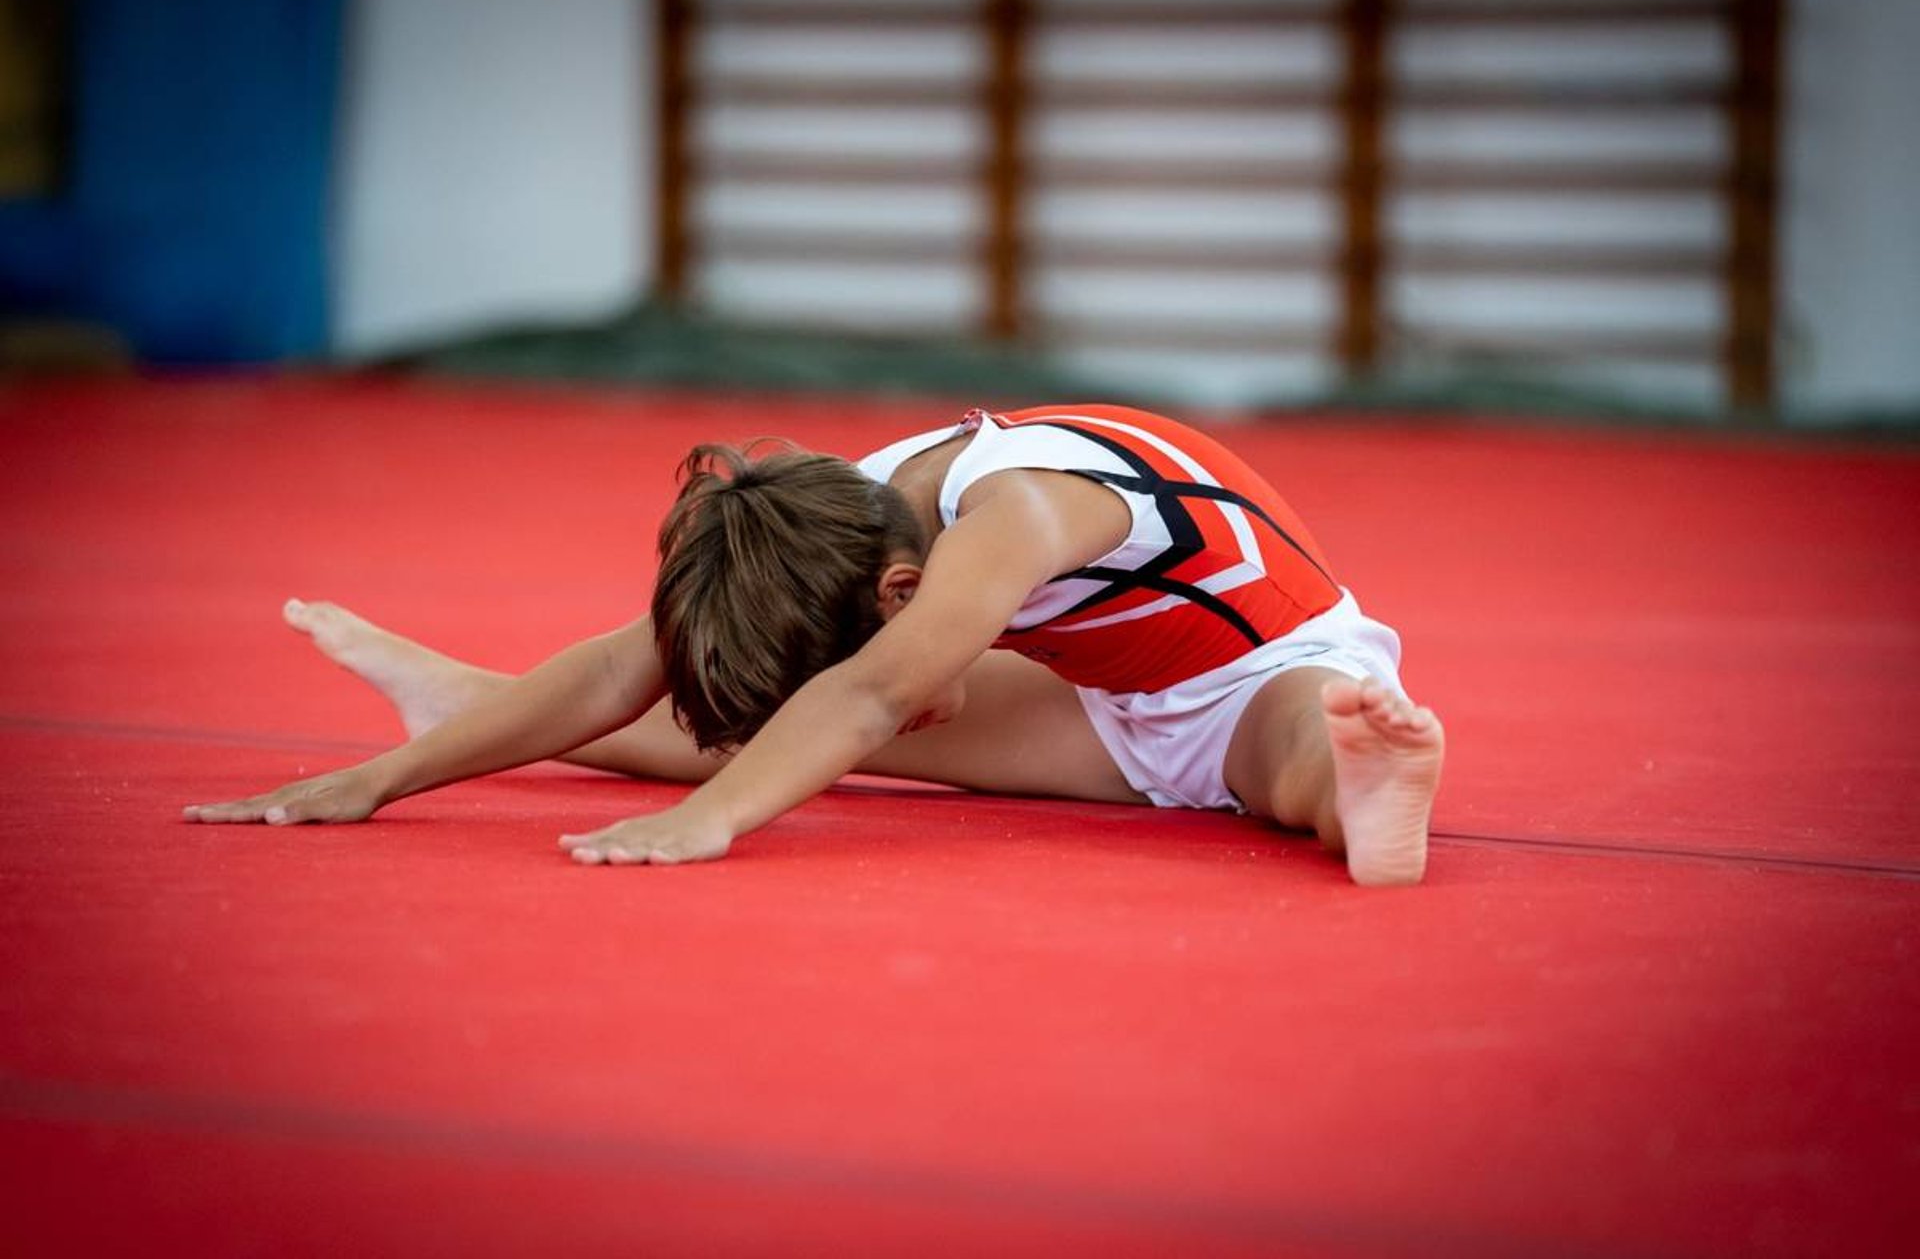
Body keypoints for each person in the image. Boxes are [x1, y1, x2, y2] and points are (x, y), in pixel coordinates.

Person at [184, 404, 1444, 886]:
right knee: (741, 712)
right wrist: (377, 785)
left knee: (1288, 754)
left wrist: (716, 819)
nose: (885, 706)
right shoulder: (851, 505)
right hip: (1104, 702)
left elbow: (873, 688)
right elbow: (636, 659)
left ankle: (1361, 784)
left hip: (1260, 681)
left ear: (907, 587)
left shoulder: (1016, 513)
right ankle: (460, 706)